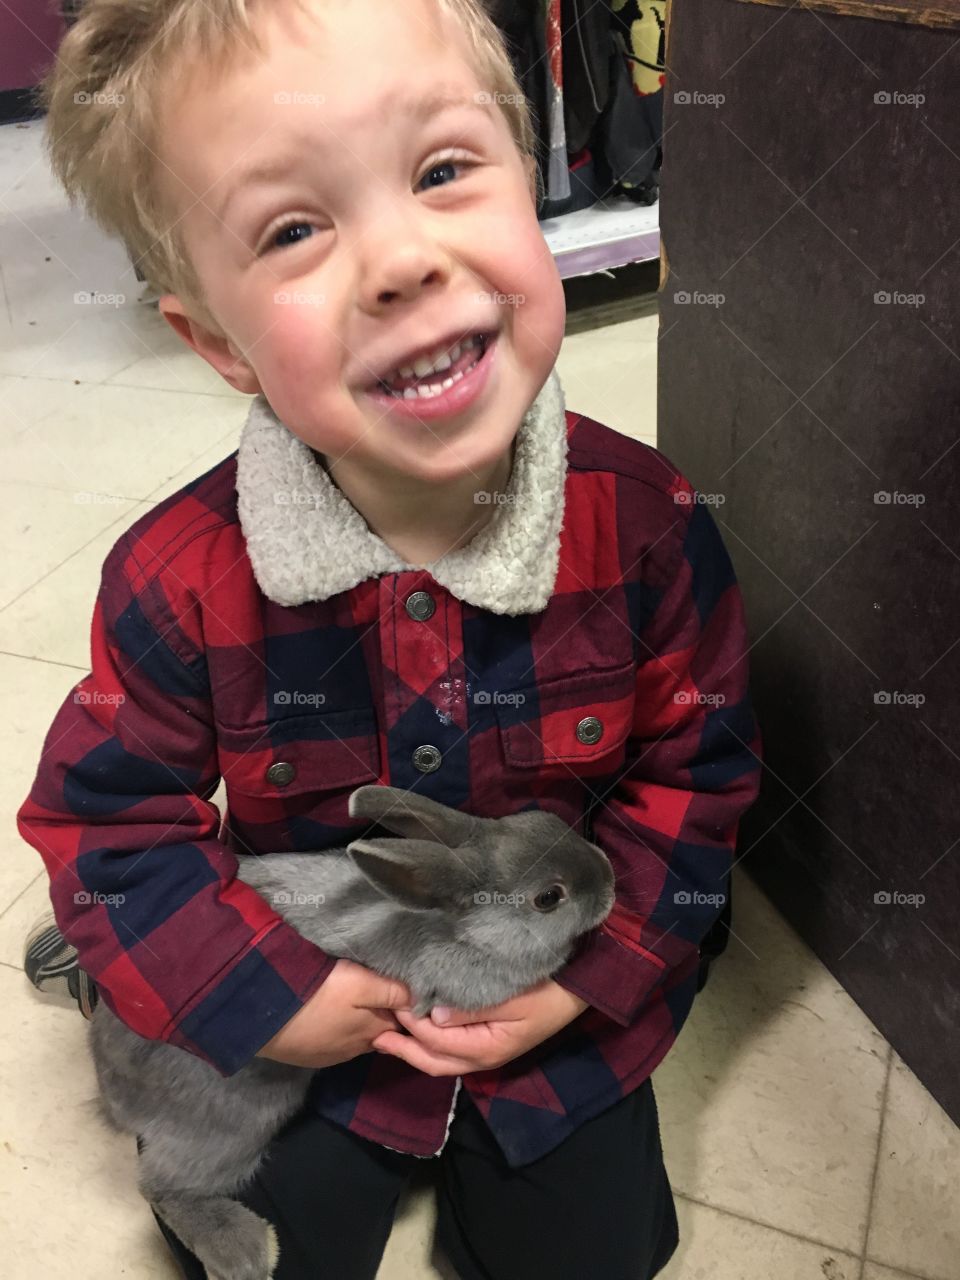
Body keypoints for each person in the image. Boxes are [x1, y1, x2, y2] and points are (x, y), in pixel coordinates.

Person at [17, 1, 763, 1277]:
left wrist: (591, 981)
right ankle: (112, 979)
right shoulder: (178, 577)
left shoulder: (649, 524)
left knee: (592, 1255)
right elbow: (106, 826)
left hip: (552, 979)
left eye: (442, 171)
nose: (403, 259)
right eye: (295, 228)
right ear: (217, 343)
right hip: (323, 985)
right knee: (271, 1242)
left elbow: (698, 784)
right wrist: (265, 997)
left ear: (531, 185)